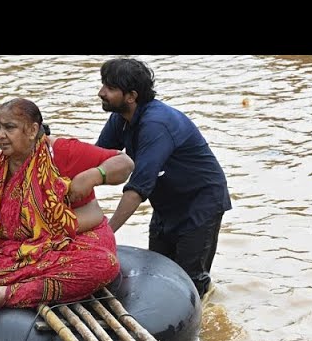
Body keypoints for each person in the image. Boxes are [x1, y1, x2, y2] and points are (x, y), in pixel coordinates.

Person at [0, 98, 134, 317]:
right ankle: (17, 283)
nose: (1, 135)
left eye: (9, 127)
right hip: (24, 248)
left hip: (77, 242)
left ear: (32, 130)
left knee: (102, 265)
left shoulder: (62, 153)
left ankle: (8, 294)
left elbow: (125, 163)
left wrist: (95, 175)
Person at [95, 58, 232, 298]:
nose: (101, 92)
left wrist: (106, 233)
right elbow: (96, 159)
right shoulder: (121, 119)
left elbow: (137, 189)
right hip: (166, 206)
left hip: (199, 206)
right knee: (158, 275)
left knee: (190, 283)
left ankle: (204, 327)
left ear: (131, 96)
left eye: (109, 88)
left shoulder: (156, 124)